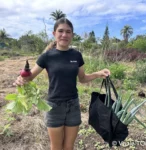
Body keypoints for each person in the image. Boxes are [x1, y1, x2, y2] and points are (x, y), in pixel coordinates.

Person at [13, 18, 110, 150]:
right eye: (61, 31)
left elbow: (82, 78)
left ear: (72, 35)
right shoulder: (46, 56)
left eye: (68, 32)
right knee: (56, 147)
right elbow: (30, 77)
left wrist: (99, 73)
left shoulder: (77, 55)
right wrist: (21, 79)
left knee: (69, 146)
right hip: (53, 106)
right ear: (54, 34)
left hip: (73, 105)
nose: (64, 35)